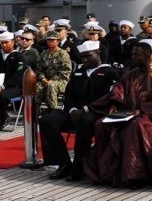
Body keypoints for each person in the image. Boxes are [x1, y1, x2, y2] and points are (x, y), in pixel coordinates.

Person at [84, 42, 152, 188]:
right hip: (126, 114)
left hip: (149, 117)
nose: (133, 57)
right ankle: (108, 172)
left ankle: (135, 176)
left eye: (136, 55)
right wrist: (114, 104)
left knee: (134, 126)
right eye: (132, 54)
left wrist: (141, 110)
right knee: (101, 124)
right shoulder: (130, 75)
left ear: (148, 56)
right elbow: (118, 90)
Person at [39, 41, 118, 181]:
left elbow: (108, 97)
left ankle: (80, 166)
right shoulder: (79, 72)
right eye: (82, 57)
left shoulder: (109, 72)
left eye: (88, 56)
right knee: (47, 120)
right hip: (74, 111)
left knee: (85, 121)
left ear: (98, 54)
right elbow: (69, 95)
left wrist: (85, 109)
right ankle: (63, 163)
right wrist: (73, 109)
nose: (85, 60)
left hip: (95, 111)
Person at [35, 31, 72, 111]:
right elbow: (39, 70)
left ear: (58, 41)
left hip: (61, 81)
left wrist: (52, 80)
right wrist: (42, 79)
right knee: (37, 87)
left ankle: (53, 111)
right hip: (45, 80)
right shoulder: (43, 54)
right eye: (48, 40)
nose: (50, 42)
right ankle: (35, 112)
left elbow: (65, 72)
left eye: (53, 40)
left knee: (51, 86)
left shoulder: (63, 54)